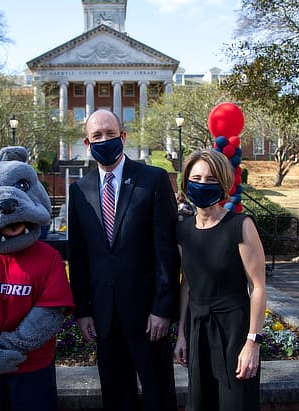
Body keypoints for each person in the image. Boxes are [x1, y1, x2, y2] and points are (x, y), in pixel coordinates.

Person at [68, 109, 180, 411]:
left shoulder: (152, 180)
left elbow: (166, 250)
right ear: (88, 143)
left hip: (148, 318)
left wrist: (162, 309)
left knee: (158, 396)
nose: (104, 140)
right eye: (97, 136)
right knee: (117, 398)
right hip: (104, 317)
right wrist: (82, 311)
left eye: (110, 133)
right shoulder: (78, 190)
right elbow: (77, 255)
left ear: (123, 136)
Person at [173, 149, 267, 411]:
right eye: (197, 178)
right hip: (198, 329)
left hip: (234, 332)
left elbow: (257, 287)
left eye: (211, 179)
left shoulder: (240, 225)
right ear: (186, 182)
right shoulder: (183, 230)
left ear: (223, 183)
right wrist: (181, 334)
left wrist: (252, 343)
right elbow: (187, 284)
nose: (203, 184)